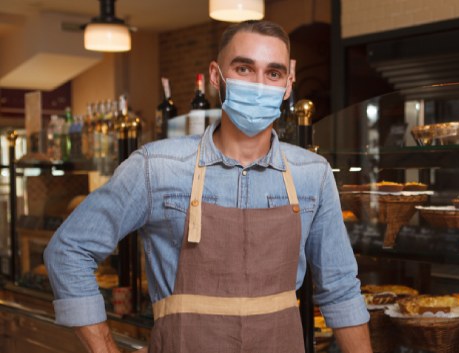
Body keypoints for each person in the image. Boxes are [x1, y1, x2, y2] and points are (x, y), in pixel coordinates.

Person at [44, 20, 371, 353]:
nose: (259, 84)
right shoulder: (156, 168)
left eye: (273, 73)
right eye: (244, 68)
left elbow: (341, 290)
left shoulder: (312, 174)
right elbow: (68, 251)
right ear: (217, 76)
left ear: (289, 83)